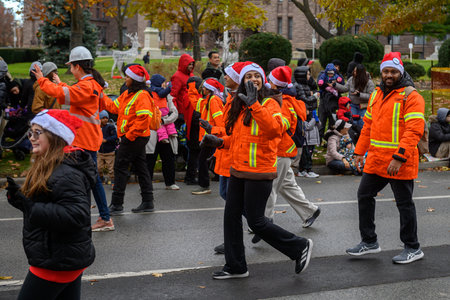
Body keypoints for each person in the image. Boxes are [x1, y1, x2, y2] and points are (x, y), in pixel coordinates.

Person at [201, 63, 313, 279]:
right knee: (231, 218)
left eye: (257, 76)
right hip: (238, 170)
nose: (253, 79)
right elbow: (239, 139)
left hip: (260, 171)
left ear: (263, 80)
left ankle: (299, 247)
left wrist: (255, 105)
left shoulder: (271, 103)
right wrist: (219, 141)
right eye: (248, 76)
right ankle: (236, 267)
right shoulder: (240, 105)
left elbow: (273, 130)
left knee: (256, 222)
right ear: (242, 82)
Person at [6, 109, 95, 299]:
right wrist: (20, 201)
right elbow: (50, 205)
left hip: (57, 261)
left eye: (38, 133)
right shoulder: (52, 166)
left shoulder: (66, 173)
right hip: (62, 257)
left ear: (55, 136)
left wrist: (30, 207)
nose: (31, 137)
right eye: (31, 132)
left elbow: (77, 215)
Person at [346, 52, 426, 264]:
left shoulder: (412, 96)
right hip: (376, 160)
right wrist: (358, 152)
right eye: (386, 71)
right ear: (381, 72)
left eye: (393, 71)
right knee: (364, 195)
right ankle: (369, 241)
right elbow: (368, 127)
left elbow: (414, 130)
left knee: (404, 203)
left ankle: (413, 247)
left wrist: (399, 157)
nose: (389, 75)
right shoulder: (377, 94)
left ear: (400, 72)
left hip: (398, 161)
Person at [32, 46, 113, 231]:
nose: (70, 70)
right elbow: (71, 93)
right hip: (87, 139)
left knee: (90, 180)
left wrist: (41, 80)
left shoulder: (86, 86)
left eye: (71, 66)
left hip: (84, 140)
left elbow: (63, 94)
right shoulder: (92, 85)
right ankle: (96, 216)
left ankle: (103, 218)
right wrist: (60, 82)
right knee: (87, 179)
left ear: (78, 67)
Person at [252, 65, 320, 245]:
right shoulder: (288, 99)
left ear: (273, 81)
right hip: (285, 151)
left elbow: (274, 127)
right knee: (287, 185)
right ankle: (310, 211)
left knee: (270, 188)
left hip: (278, 151)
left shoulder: (276, 102)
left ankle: (264, 223)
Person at [102, 65, 156, 215]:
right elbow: (113, 107)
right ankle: (148, 202)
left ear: (134, 79)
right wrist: (100, 94)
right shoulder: (128, 93)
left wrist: (127, 137)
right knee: (141, 167)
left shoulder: (142, 95)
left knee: (120, 167)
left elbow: (144, 120)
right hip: (134, 137)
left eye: (127, 77)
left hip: (134, 137)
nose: (125, 79)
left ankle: (117, 205)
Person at [211, 61, 246, 255]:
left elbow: (233, 132)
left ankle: (259, 226)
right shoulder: (231, 98)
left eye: (229, 74)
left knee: (232, 204)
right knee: (226, 196)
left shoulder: (237, 101)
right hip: (226, 154)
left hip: (233, 157)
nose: (225, 77)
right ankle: (258, 225)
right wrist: (213, 133)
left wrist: (214, 133)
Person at [188, 77, 225, 195]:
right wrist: (192, 88)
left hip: (211, 135)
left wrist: (218, 132)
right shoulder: (209, 99)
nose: (202, 89)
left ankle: (204, 186)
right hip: (210, 135)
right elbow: (195, 103)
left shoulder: (213, 100)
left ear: (208, 89)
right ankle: (206, 183)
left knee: (202, 159)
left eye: (204, 87)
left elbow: (219, 119)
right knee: (204, 159)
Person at [146, 75, 180, 190]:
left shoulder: (167, 96)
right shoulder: (148, 96)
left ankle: (170, 182)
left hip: (166, 131)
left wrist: (163, 120)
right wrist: (156, 121)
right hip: (153, 132)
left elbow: (174, 112)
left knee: (168, 158)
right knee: (150, 159)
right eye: (163, 82)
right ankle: (147, 184)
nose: (165, 84)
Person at [335, 64, 375, 128]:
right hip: (352, 105)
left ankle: (361, 137)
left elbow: (371, 96)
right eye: (354, 71)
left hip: (363, 106)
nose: (354, 72)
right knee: (353, 122)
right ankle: (353, 137)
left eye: (356, 71)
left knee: (362, 123)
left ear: (360, 73)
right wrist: (335, 85)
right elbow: (345, 88)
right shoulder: (351, 79)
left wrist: (359, 94)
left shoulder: (369, 82)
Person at [317, 63, 344, 139]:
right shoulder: (323, 74)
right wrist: (327, 85)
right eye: (336, 66)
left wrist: (335, 85)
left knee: (332, 121)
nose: (337, 68)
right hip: (324, 100)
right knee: (322, 120)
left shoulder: (338, 75)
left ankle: (329, 139)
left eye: (338, 66)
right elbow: (319, 84)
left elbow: (343, 85)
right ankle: (319, 138)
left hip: (334, 101)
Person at [150, 74, 177, 143]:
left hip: (160, 111)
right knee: (162, 125)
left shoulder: (152, 90)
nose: (164, 84)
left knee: (162, 125)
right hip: (160, 111)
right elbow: (162, 93)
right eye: (163, 82)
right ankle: (167, 135)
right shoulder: (157, 90)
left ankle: (168, 134)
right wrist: (169, 88)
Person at [298, 102, 321, 178]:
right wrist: (314, 119)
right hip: (306, 141)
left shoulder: (312, 118)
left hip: (312, 140)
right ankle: (306, 170)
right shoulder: (303, 119)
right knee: (305, 156)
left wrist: (316, 119)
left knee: (309, 156)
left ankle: (305, 170)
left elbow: (319, 125)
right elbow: (307, 127)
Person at [97, 110, 117, 187]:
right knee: (98, 168)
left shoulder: (110, 127)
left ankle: (113, 181)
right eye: (103, 118)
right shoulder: (97, 127)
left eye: (106, 118)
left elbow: (115, 136)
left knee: (110, 169)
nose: (105, 119)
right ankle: (101, 179)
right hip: (100, 152)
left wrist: (106, 140)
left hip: (110, 152)